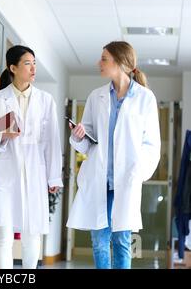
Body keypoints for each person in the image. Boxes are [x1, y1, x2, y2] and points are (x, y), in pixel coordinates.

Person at [66, 41, 161, 269]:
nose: (99, 63)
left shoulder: (145, 98)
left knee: (121, 240)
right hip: (99, 179)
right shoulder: (95, 97)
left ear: (119, 63)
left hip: (125, 180)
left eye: (104, 59)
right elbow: (89, 142)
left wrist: (137, 172)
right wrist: (80, 135)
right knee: (99, 241)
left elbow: (151, 145)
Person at [0, 45, 63, 269]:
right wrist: (2, 136)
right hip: (4, 176)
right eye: (27, 63)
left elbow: (52, 142)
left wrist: (53, 178)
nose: (33, 68)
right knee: (4, 238)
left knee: (31, 235)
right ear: (12, 68)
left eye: (34, 63)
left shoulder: (46, 101)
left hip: (34, 174)